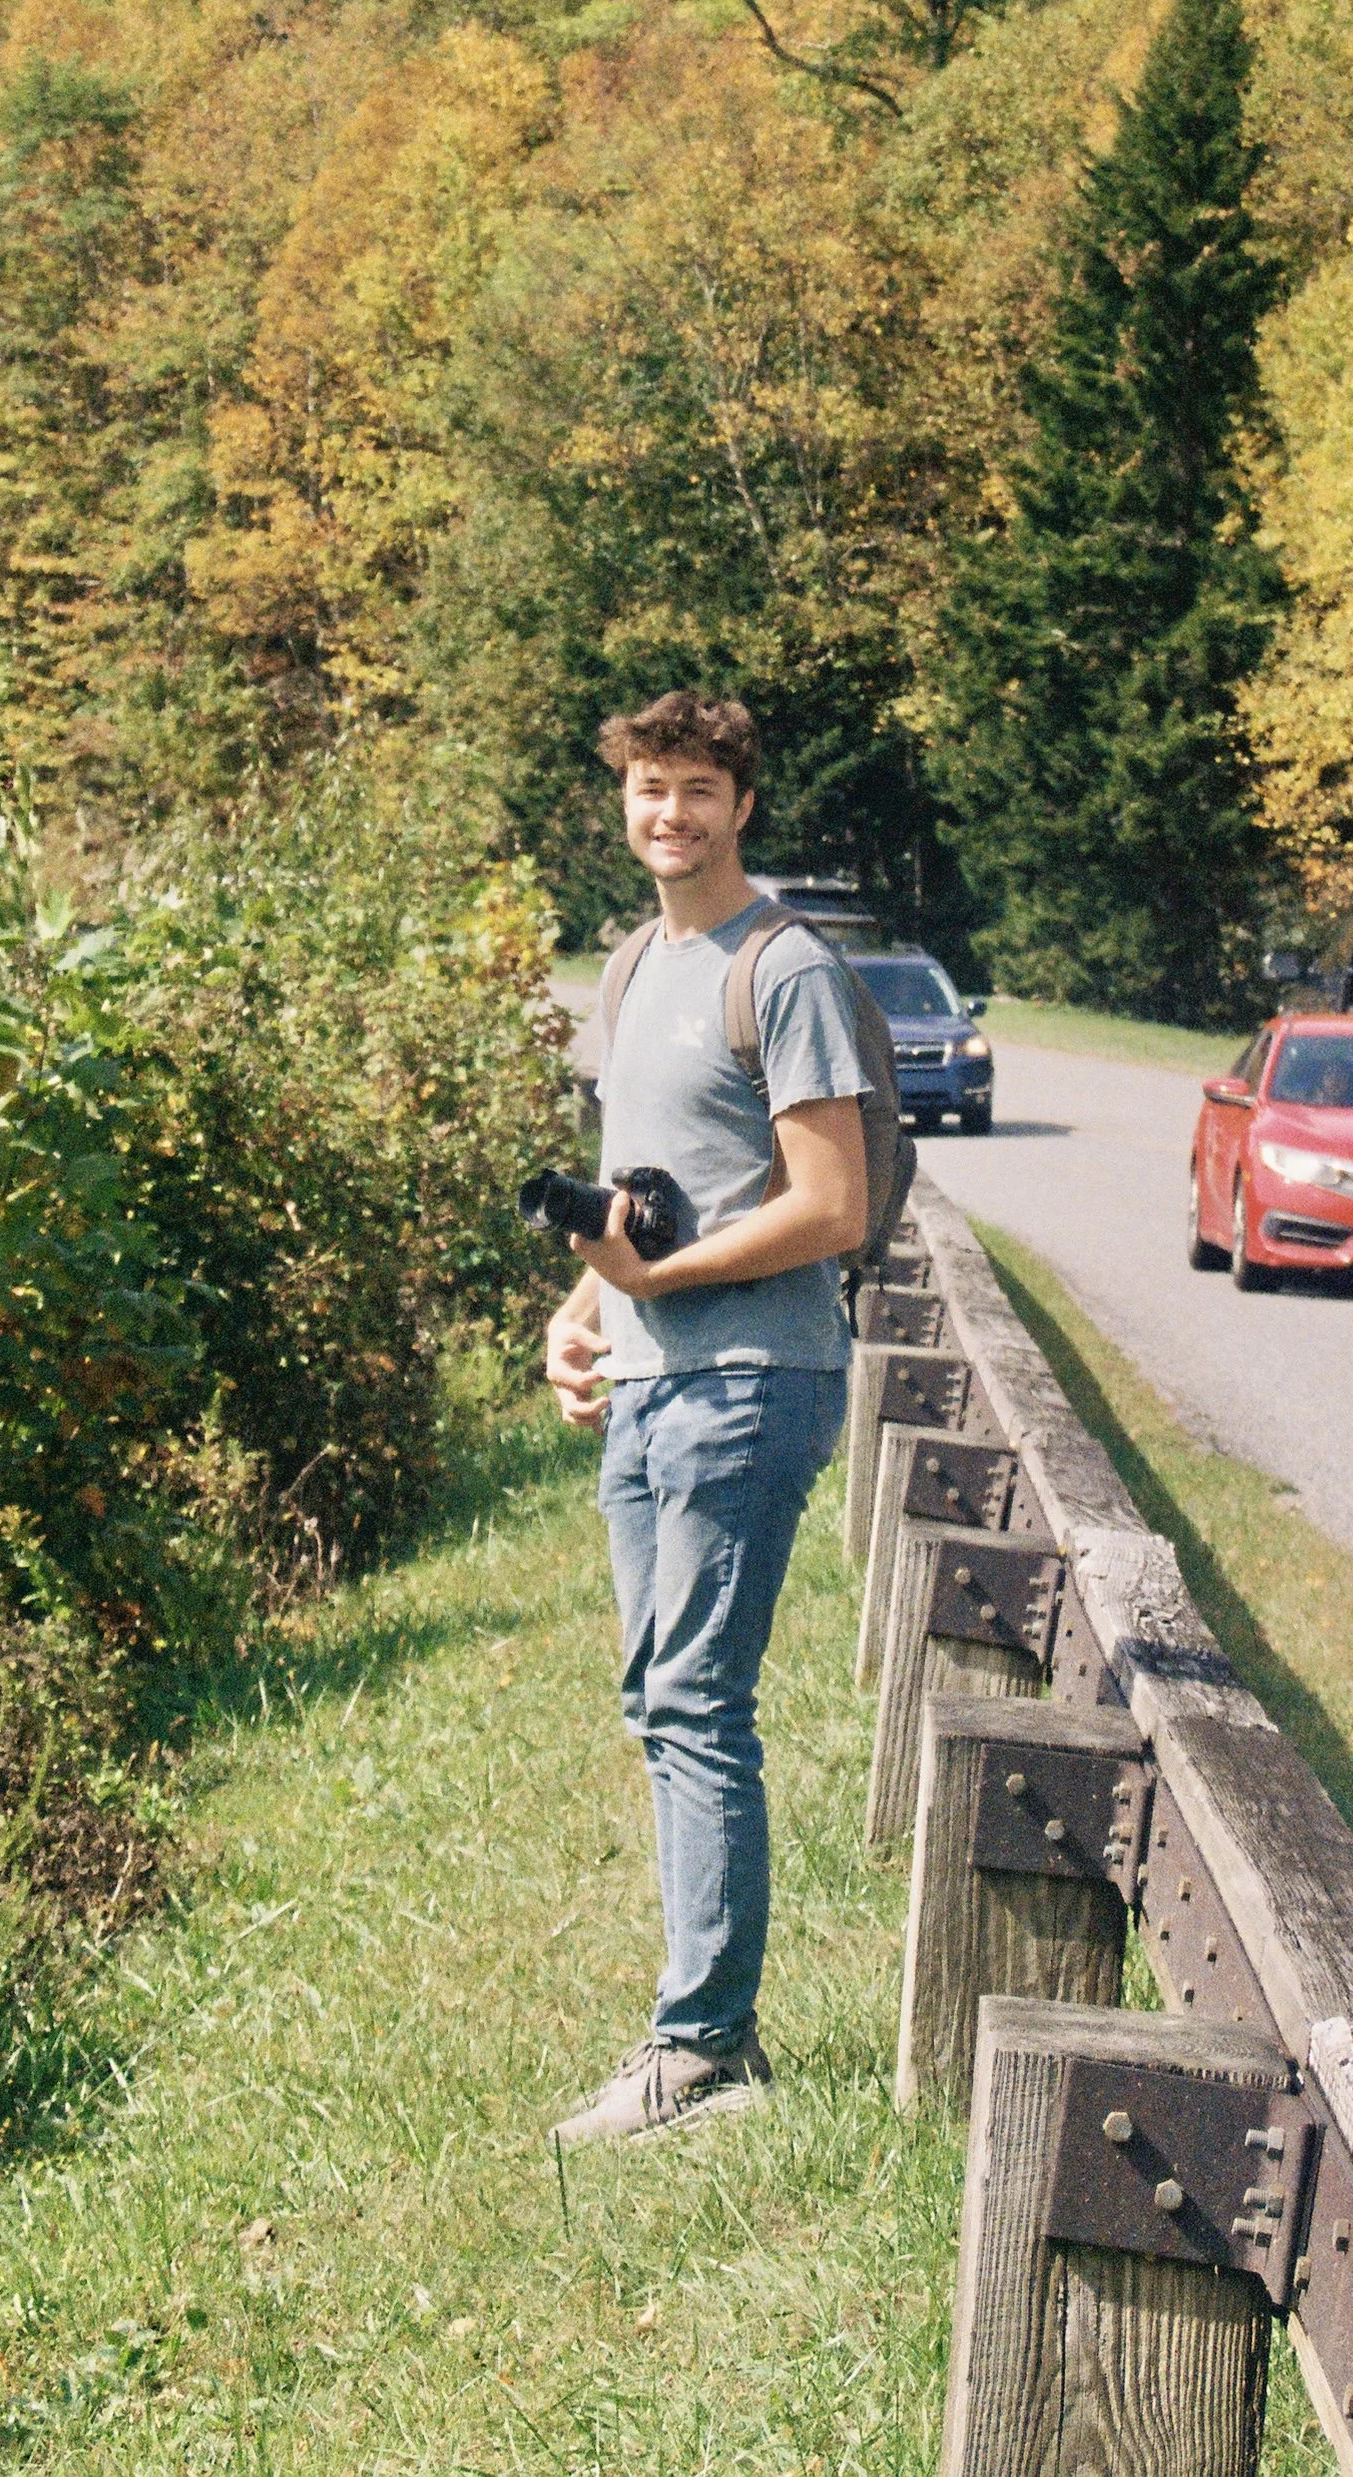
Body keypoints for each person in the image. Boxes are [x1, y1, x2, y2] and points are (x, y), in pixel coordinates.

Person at [544, 689, 868, 2144]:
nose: (666, 815)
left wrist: (661, 1274)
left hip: (754, 1382)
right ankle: (698, 2036)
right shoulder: (632, 967)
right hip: (654, 1378)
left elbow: (832, 1204)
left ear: (743, 804)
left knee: (694, 1699)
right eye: (646, 790)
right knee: (659, 1699)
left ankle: (705, 2049)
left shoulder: (781, 967)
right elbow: (643, 1195)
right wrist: (584, 1313)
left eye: (693, 791)